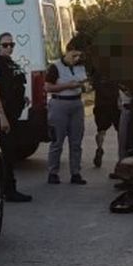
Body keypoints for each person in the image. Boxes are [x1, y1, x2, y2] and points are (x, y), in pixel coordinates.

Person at [0, 32, 33, 202]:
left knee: (10, 152)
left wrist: (22, 98)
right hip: (3, 117)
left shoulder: (11, 63)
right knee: (6, 155)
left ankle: (8, 189)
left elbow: (15, 86)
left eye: (11, 45)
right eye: (5, 45)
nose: (9, 48)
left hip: (13, 115)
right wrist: (2, 118)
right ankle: (8, 190)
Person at [44, 41, 88, 184]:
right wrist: (67, 86)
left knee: (76, 141)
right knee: (57, 140)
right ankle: (53, 172)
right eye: (74, 55)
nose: (76, 59)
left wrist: (85, 86)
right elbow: (48, 87)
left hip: (76, 103)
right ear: (68, 51)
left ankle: (76, 173)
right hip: (59, 103)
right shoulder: (55, 67)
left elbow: (85, 83)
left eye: (79, 56)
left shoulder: (81, 66)